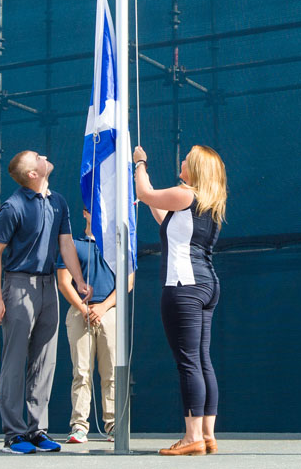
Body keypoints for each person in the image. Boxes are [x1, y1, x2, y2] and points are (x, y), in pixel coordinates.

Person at [0, 150, 93, 455]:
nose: (45, 156)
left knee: (45, 362)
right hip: (19, 286)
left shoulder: (58, 201)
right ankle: (14, 435)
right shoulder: (13, 207)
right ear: (33, 173)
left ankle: (36, 431)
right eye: (37, 156)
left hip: (48, 287)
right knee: (15, 361)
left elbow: (65, 243)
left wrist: (79, 279)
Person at [133, 144, 227, 456]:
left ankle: (192, 437)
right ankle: (207, 435)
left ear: (195, 168)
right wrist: (149, 201)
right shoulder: (206, 201)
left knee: (188, 361)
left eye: (186, 158)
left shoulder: (185, 194)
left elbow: (146, 191)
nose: (182, 161)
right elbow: (167, 222)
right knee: (201, 359)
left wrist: (140, 162)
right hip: (206, 284)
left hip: (184, 286)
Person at [56, 207, 135, 444]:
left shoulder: (118, 245)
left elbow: (128, 281)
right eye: (94, 211)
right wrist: (84, 309)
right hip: (80, 315)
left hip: (109, 313)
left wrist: (102, 308)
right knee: (81, 372)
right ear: (85, 213)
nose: (99, 214)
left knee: (111, 372)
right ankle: (79, 426)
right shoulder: (74, 245)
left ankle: (113, 426)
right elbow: (63, 281)